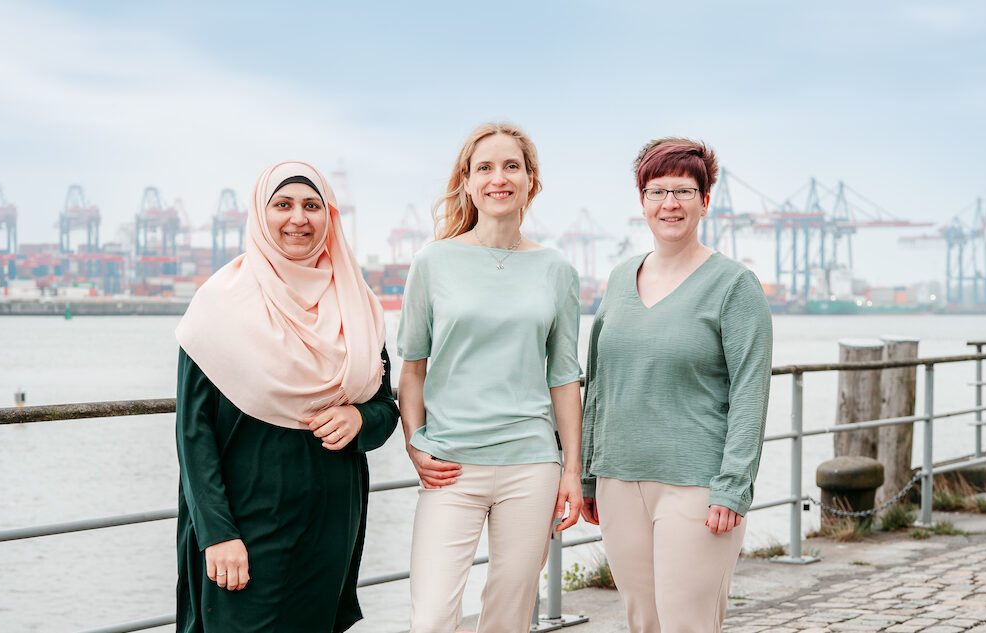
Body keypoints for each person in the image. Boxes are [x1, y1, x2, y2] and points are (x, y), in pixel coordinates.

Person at [173, 161, 399, 633]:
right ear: (261, 214)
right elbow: (194, 435)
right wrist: (218, 535)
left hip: (330, 525)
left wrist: (360, 420)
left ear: (328, 218)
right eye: (283, 204)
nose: (299, 218)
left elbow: (384, 406)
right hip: (247, 527)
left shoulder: (356, 304)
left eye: (312, 206)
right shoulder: (218, 306)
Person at [580, 138, 772, 633]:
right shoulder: (620, 278)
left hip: (696, 483)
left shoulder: (734, 286)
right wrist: (587, 475)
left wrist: (733, 488)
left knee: (687, 624)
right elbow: (598, 382)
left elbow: (751, 392)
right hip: (618, 479)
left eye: (684, 191)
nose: (670, 204)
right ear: (641, 201)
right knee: (642, 622)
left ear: (705, 201)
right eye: (657, 191)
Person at [397, 122, 583, 633]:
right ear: (468, 181)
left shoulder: (556, 270)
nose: (498, 177)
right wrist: (416, 442)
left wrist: (572, 471)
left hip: (531, 463)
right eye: (485, 167)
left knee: (509, 617)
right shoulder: (433, 262)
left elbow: (564, 377)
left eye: (511, 166)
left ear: (531, 181)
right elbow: (411, 369)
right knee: (433, 617)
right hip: (451, 464)